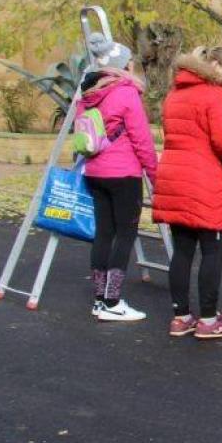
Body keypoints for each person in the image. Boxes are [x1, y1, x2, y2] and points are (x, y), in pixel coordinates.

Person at [153, 46, 222, 340]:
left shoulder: (174, 94)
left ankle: (181, 317)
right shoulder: (216, 94)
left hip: (173, 177)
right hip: (203, 180)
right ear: (213, 65)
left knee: (182, 251)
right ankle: (209, 319)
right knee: (212, 250)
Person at [77, 35, 159, 322]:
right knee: (125, 235)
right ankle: (113, 302)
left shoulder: (87, 93)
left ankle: (99, 299)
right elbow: (142, 139)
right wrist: (154, 174)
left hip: (95, 171)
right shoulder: (126, 93)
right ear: (123, 65)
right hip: (123, 173)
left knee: (103, 233)